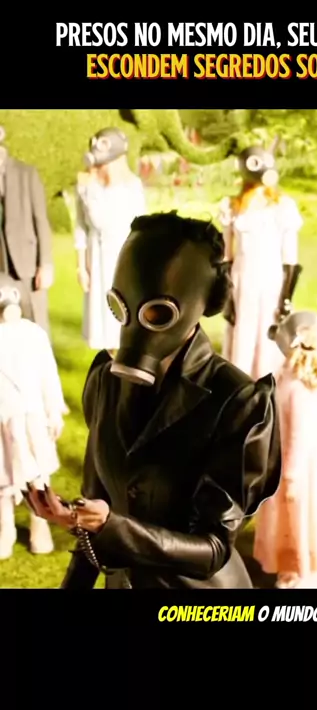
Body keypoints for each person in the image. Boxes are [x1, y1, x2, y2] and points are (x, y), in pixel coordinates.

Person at [28, 211, 282, 589]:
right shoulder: (105, 382)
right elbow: (95, 507)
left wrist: (111, 526)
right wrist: (80, 522)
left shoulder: (239, 402)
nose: (135, 325)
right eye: (121, 307)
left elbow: (212, 549)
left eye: (157, 312)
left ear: (203, 303)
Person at [253, 311, 317, 589]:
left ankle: (301, 573)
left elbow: (300, 436)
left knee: (299, 521)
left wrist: (291, 476)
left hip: (298, 471)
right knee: (297, 522)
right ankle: (296, 570)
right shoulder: (301, 384)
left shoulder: (296, 387)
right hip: (303, 468)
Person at [219, 145, 303, 380]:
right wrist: (227, 298)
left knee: (268, 338)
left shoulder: (283, 207)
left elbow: (290, 257)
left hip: (271, 280)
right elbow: (226, 255)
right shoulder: (233, 207)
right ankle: (239, 386)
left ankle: (268, 386)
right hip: (242, 280)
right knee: (242, 337)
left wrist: (286, 297)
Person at [0, 273, 66, 559]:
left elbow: (48, 375)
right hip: (3, 420)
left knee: (37, 474)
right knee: (3, 476)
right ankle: (5, 527)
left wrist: (54, 409)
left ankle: (40, 523)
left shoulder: (33, 335)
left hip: (32, 418)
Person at [74, 127, 146, 354]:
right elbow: (81, 227)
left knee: (122, 314)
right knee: (100, 317)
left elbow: (136, 227)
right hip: (96, 258)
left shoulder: (132, 187)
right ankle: (108, 362)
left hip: (123, 257)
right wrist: (81, 266)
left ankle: (122, 360)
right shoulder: (86, 187)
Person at [0, 125, 53, 335]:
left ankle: (40, 354)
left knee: (36, 322)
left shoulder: (26, 173)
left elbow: (41, 220)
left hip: (26, 261)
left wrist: (45, 264)